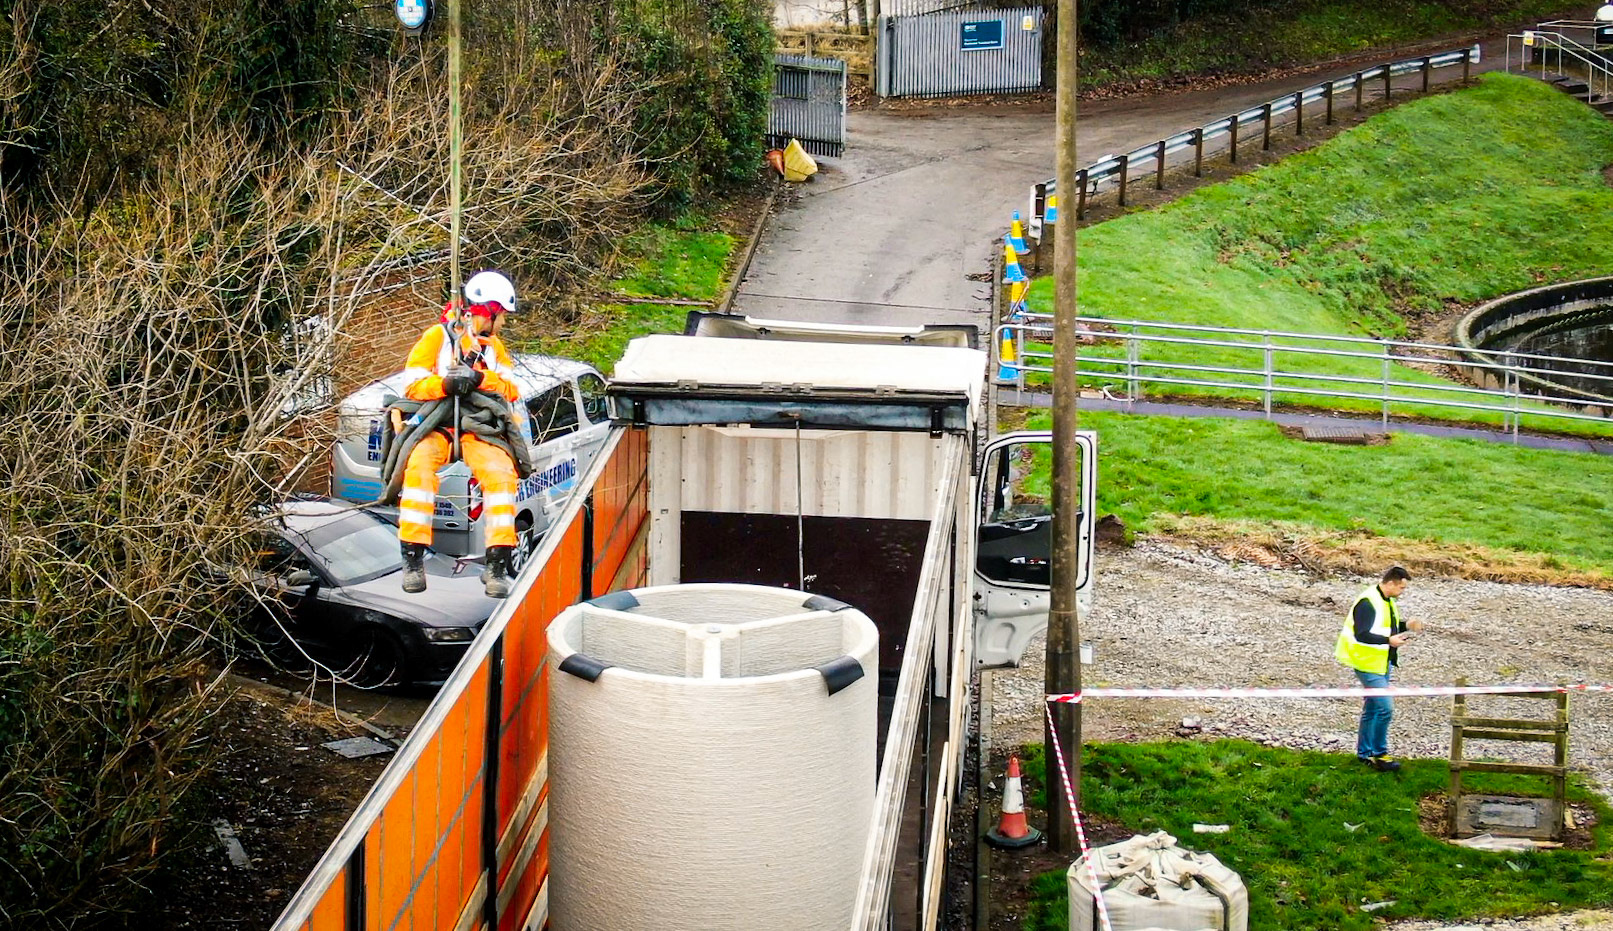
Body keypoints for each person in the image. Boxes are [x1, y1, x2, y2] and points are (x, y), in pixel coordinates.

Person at [397, 270, 524, 598]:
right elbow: (410, 384)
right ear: (490, 310)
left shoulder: (494, 348)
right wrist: (445, 384)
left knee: (501, 476)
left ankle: (497, 563)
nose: (504, 324)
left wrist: (482, 379)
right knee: (419, 470)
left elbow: (510, 389)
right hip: (438, 424)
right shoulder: (437, 338)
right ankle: (412, 558)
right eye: (502, 317)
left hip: (476, 426)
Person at [1335, 565, 1420, 772]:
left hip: (1381, 662)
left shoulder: (1386, 600)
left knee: (1373, 708)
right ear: (1390, 583)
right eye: (1401, 588)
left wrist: (1406, 625)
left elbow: (1385, 626)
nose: (1402, 592)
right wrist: (1388, 641)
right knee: (1385, 708)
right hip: (1367, 663)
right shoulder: (1368, 602)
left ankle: (1364, 753)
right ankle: (1380, 754)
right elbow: (1362, 633)